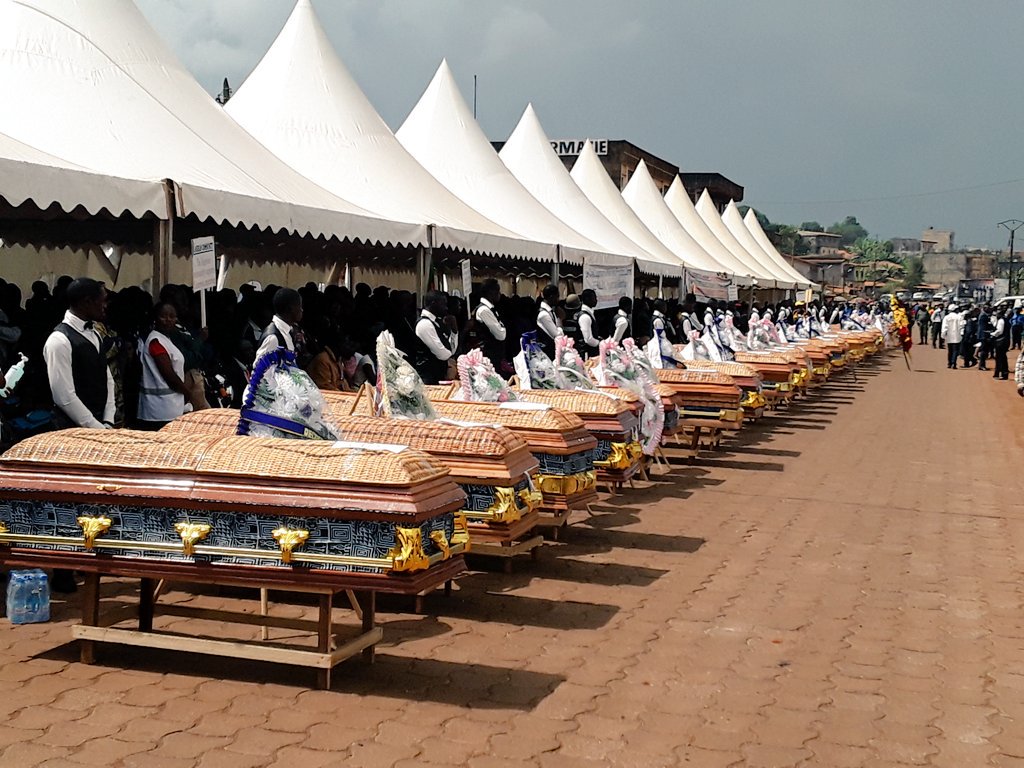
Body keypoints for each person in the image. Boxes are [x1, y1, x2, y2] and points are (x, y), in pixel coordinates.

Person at [42, 278, 114, 595]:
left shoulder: (94, 333)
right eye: (101, 300)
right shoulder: (59, 341)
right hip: (72, 431)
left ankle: (85, 557)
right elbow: (63, 395)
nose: (104, 306)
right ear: (85, 302)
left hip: (97, 428)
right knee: (67, 500)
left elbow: (106, 376)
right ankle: (61, 569)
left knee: (91, 496)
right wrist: (94, 427)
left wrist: (109, 419)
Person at [136, 302, 189, 429]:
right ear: (155, 318)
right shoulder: (155, 341)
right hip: (159, 410)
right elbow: (169, 375)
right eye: (163, 316)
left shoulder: (165, 339)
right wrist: (187, 393)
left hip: (170, 407)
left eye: (172, 316)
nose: (168, 320)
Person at [414, 290, 458, 385]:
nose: (446, 308)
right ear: (434, 304)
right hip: (428, 378)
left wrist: (454, 331)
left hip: (439, 375)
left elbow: (452, 350)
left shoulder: (437, 322)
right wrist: (449, 352)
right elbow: (443, 355)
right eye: (443, 304)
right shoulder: (425, 324)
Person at [256, 287, 303, 360]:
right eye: (299, 306)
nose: (301, 310)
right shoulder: (273, 338)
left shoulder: (287, 331)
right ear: (290, 309)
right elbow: (260, 369)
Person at [473, 278, 507, 371]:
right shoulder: (484, 310)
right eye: (498, 291)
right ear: (491, 292)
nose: (500, 294)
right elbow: (500, 335)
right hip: (489, 355)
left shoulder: (491, 309)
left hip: (494, 354)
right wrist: (503, 328)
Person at [535, 284, 562, 359]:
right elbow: (557, 335)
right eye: (557, 296)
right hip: (547, 354)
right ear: (551, 297)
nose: (558, 299)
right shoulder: (544, 314)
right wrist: (560, 323)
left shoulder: (550, 311)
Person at [574, 289, 600, 357]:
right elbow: (588, 339)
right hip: (586, 353)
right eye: (594, 298)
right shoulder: (585, 317)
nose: (596, 300)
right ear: (587, 299)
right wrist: (600, 343)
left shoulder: (589, 313)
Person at [941, 305, 962, 369]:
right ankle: (954, 363)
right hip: (957, 335)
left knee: (950, 350)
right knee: (955, 350)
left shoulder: (946, 317)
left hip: (949, 336)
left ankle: (949, 363)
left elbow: (944, 327)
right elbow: (961, 326)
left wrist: (943, 336)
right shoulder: (959, 317)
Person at [992, 308, 1010, 380]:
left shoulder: (1001, 321)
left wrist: (992, 334)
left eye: (998, 314)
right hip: (1005, 341)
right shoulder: (1006, 320)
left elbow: (999, 331)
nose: (996, 315)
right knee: (1003, 358)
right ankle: (1004, 374)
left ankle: (998, 374)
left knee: (999, 358)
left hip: (1000, 341)